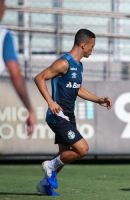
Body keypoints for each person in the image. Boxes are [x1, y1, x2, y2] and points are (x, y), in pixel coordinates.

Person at [34, 29, 112, 196]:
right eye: (92, 46)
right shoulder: (64, 63)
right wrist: (50, 102)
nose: (93, 49)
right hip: (58, 115)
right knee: (82, 149)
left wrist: (98, 99)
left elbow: (77, 89)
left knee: (63, 155)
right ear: (83, 45)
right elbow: (39, 78)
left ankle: (44, 185)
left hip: (68, 115)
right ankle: (49, 166)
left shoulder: (79, 65)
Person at [0, 0, 35, 135]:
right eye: (3, 3)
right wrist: (30, 109)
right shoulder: (4, 36)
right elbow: (16, 75)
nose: (5, 8)